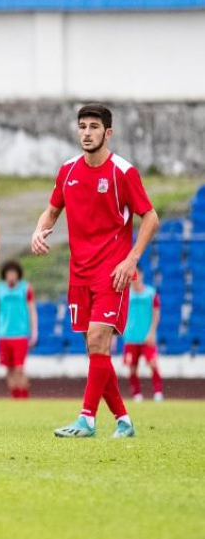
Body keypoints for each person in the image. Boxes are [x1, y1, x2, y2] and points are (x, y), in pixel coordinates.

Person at [32, 104, 159, 438]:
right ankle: (124, 420)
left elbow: (151, 217)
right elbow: (51, 210)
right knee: (95, 351)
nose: (87, 132)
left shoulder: (123, 172)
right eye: (82, 126)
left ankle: (86, 419)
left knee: (97, 339)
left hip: (113, 272)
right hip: (80, 273)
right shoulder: (68, 171)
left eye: (94, 126)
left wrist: (131, 260)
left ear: (108, 133)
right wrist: (39, 230)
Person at [0, 260, 38, 399]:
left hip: (20, 334)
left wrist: (34, 331)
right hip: (3, 334)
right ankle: (15, 397)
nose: (11, 276)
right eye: (9, 273)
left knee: (19, 368)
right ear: (5, 275)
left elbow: (32, 310)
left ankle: (24, 396)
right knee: (9, 369)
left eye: (14, 273)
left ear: (18, 275)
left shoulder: (25, 288)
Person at [122, 269, 164, 402]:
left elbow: (156, 314)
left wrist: (152, 333)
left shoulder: (151, 293)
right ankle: (137, 394)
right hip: (130, 337)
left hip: (147, 337)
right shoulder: (126, 294)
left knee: (153, 364)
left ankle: (158, 393)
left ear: (141, 275)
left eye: (137, 274)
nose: (134, 277)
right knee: (132, 368)